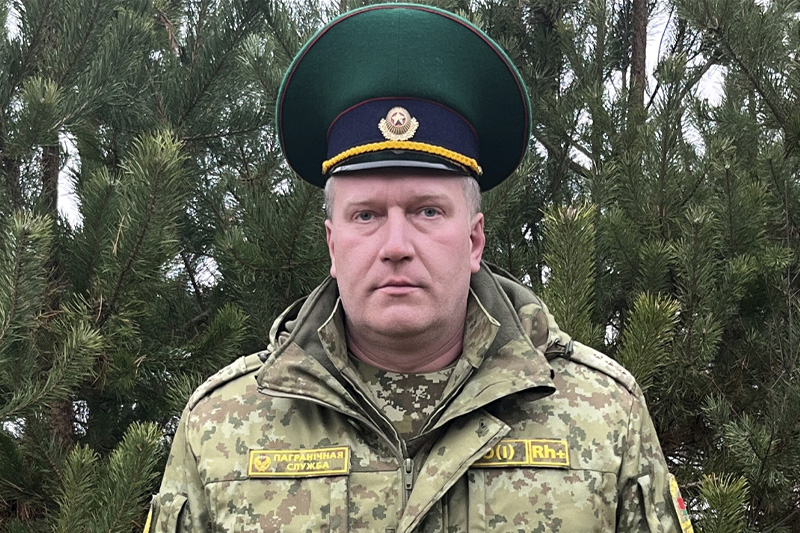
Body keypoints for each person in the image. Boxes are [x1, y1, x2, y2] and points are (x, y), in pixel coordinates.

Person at [146, 4, 694, 532]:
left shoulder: (603, 415)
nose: (396, 245)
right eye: (366, 215)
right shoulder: (221, 427)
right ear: (332, 244)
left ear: (474, 239)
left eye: (427, 211)